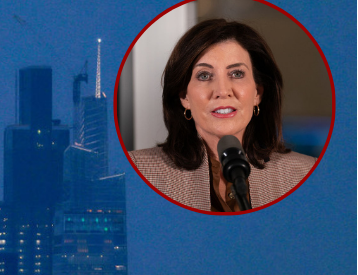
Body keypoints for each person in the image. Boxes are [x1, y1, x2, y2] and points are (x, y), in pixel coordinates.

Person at [129, 18, 316, 212]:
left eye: (236, 74)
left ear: (257, 93)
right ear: (184, 97)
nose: (222, 90)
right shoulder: (137, 173)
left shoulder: (304, 174)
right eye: (204, 75)